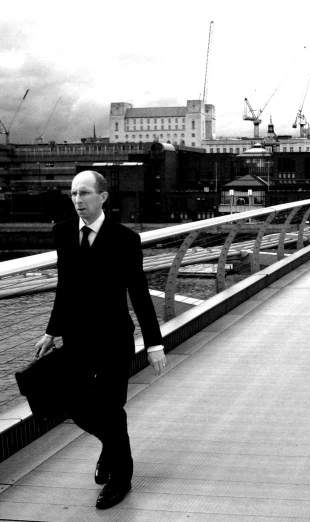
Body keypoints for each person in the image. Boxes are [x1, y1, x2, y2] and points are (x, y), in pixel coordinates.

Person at [34, 171, 166, 510]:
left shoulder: (125, 239)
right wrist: (52, 330)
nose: (78, 200)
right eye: (74, 194)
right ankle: (113, 448)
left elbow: (138, 292)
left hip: (112, 339)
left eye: (85, 193)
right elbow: (64, 286)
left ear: (103, 197)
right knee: (75, 405)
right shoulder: (63, 232)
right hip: (76, 338)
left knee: (109, 406)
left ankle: (121, 475)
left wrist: (154, 344)